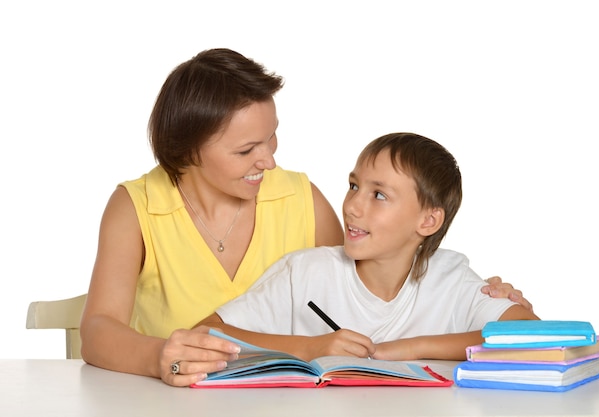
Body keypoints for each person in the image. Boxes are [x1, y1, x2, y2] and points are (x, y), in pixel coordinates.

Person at [79, 48, 532, 387]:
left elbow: (353, 293)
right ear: (189, 150)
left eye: (271, 139)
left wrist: (493, 306)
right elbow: (98, 331)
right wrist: (162, 357)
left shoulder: (301, 197)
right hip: (162, 399)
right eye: (246, 150)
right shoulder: (136, 206)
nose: (268, 161)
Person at [201, 132, 540, 363]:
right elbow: (204, 332)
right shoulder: (305, 273)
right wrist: (310, 347)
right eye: (353, 186)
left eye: (378, 195)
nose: (352, 206)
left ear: (428, 221)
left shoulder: (450, 278)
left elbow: (532, 335)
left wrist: (411, 348)